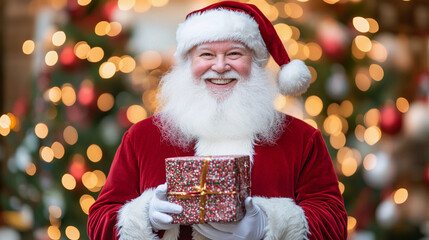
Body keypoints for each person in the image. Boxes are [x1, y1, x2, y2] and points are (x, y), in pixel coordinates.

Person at [87, 1, 348, 240]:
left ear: (255, 63)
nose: (220, 66)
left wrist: (269, 225)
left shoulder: (301, 139)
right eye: (207, 55)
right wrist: (145, 217)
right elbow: (99, 221)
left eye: (234, 54)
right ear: (189, 63)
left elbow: (334, 225)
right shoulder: (143, 137)